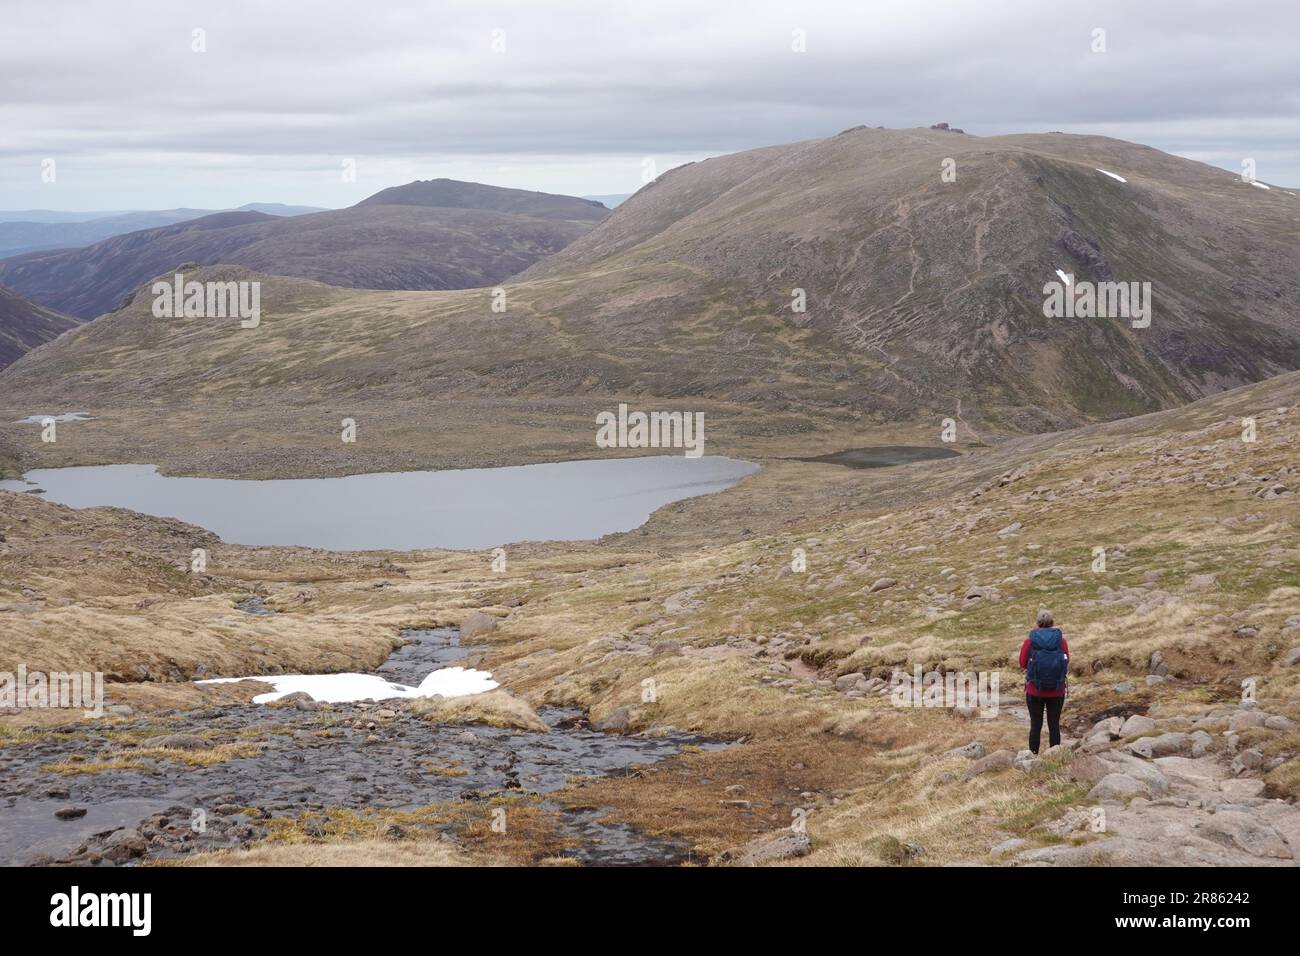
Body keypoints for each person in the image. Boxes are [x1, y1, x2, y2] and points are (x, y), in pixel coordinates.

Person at [1019, 610, 1068, 753]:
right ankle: (1055, 757)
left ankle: (1033, 757)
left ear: (1037, 623)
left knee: (1035, 725)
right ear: (1052, 622)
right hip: (1057, 689)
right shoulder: (1061, 641)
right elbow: (1066, 661)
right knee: (1054, 725)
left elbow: (1022, 663)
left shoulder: (1030, 641)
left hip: (1035, 690)